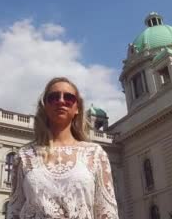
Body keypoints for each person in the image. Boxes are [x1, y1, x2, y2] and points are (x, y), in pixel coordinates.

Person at [6, 77, 119, 219]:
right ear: (45, 106)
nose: (61, 100)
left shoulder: (95, 154)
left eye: (69, 97)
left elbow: (107, 212)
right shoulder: (25, 156)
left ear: (77, 108)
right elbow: (14, 212)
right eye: (53, 97)